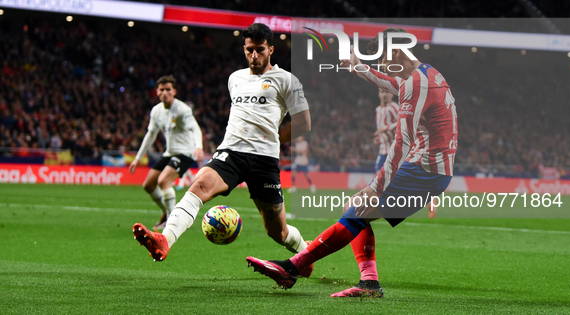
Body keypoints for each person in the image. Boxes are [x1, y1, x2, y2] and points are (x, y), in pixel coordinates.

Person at [246, 28, 458, 297]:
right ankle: (368, 283)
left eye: (382, 60)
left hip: (425, 170)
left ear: (395, 51)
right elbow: (390, 84)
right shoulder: (426, 73)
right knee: (357, 210)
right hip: (431, 169)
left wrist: (377, 187)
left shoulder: (417, 84)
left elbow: (402, 143)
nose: (382, 66)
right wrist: (358, 68)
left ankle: (292, 267)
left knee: (359, 209)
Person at [132, 23, 314, 276]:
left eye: (260, 50)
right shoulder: (235, 79)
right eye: (249, 50)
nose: (254, 55)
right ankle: (165, 239)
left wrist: (274, 139)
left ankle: (305, 254)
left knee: (277, 231)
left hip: (264, 160)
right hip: (231, 152)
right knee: (199, 185)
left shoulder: (287, 80)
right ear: (244, 49)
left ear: (271, 49)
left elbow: (304, 122)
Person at [129, 75, 204, 230]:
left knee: (163, 180)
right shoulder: (156, 111)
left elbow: (195, 128)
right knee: (148, 185)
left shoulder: (183, 109)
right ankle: (166, 213)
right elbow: (151, 134)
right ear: (157, 92)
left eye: (168, 89)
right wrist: (138, 157)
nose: (165, 93)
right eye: (161, 90)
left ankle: (173, 222)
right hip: (169, 153)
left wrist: (199, 146)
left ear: (174, 91)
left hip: (185, 153)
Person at [374, 88, 398, 173]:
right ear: (379, 94)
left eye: (387, 92)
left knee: (394, 176)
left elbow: (402, 122)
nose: (384, 95)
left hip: (395, 148)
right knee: (378, 174)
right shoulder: (378, 110)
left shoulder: (393, 107)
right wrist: (379, 138)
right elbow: (379, 127)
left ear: (392, 94)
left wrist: (385, 128)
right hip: (383, 148)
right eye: (382, 92)